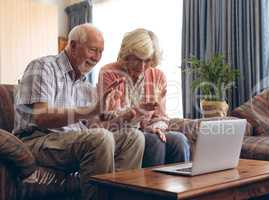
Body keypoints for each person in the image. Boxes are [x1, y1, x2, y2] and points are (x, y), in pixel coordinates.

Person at [13, 24, 147, 200]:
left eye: (101, 52)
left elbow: (95, 125)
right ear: (73, 46)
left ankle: (117, 196)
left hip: (70, 141)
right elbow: (41, 117)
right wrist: (90, 110)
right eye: (93, 50)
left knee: (133, 137)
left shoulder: (84, 85)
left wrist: (122, 114)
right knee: (100, 138)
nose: (97, 58)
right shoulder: (43, 67)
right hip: (37, 140)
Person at [97, 28, 190, 167]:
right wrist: (136, 112)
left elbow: (161, 117)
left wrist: (156, 127)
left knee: (179, 140)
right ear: (127, 55)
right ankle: (150, 189)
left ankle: (182, 188)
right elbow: (109, 119)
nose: (142, 67)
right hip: (121, 133)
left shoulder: (158, 76)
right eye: (137, 59)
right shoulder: (109, 72)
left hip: (148, 131)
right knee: (154, 142)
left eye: (147, 61)